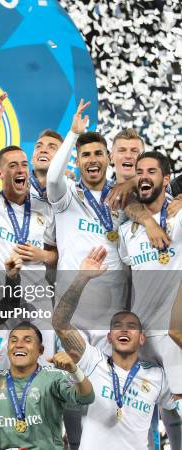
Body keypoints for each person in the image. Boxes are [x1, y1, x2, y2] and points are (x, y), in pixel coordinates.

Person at [46, 103, 168, 340]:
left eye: (98, 153)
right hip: (72, 314)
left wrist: (150, 223)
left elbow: (135, 207)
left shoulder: (121, 194)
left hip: (114, 318)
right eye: (86, 155)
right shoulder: (66, 194)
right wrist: (73, 134)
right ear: (78, 161)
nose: (92, 160)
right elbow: (52, 179)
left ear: (107, 159)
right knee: (72, 376)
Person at [0, 93, 58, 374]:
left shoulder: (45, 206)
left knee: (44, 375)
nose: (20, 169)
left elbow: (58, 255)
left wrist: (43, 255)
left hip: (39, 302)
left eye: (24, 164)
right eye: (12, 165)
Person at [52, 247, 178, 450]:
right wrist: (82, 278)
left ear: (142, 338)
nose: (124, 330)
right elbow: (60, 323)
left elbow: (177, 405)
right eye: (117, 326)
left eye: (132, 327)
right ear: (109, 337)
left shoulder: (158, 376)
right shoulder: (93, 361)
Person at [117, 152, 182, 447]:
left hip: (174, 332)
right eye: (139, 171)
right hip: (142, 335)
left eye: (152, 171)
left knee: (177, 410)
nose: (144, 176)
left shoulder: (179, 215)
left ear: (166, 180)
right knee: (143, 415)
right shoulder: (126, 230)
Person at [0, 322, 94, 449]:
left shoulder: (55, 378)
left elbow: (87, 397)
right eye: (13, 341)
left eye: (27, 340)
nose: (19, 345)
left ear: (40, 350)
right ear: (7, 349)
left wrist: (74, 370)